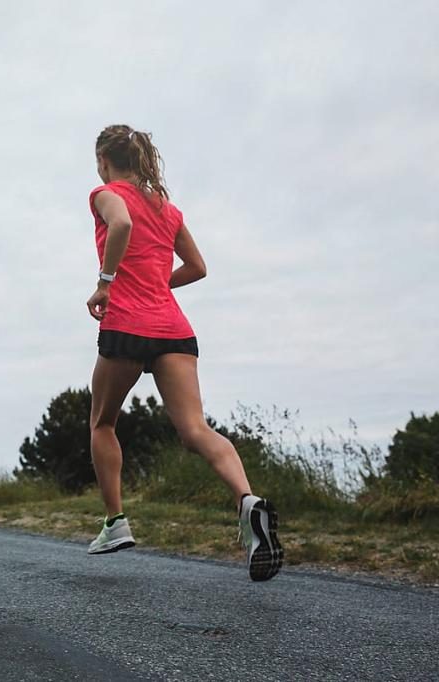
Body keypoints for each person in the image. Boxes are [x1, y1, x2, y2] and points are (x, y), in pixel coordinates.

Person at [84, 124, 284, 581]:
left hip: (128, 325)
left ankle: (115, 523)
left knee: (103, 421)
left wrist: (107, 282)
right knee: (195, 429)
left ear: (104, 160)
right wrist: (155, 283)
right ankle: (247, 501)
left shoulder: (104, 193)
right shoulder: (167, 209)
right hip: (173, 328)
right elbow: (197, 267)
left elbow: (121, 223)